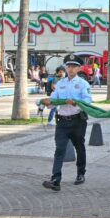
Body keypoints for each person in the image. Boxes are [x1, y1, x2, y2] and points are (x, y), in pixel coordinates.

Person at [40, 54, 93, 191]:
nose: (70, 69)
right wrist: (47, 102)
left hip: (77, 121)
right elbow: (54, 101)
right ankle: (56, 179)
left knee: (79, 147)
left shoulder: (83, 84)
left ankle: (81, 173)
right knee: (59, 150)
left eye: (74, 66)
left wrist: (76, 103)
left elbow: (87, 102)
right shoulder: (61, 84)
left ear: (79, 68)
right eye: (69, 66)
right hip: (62, 121)